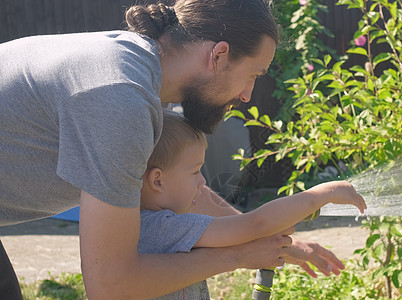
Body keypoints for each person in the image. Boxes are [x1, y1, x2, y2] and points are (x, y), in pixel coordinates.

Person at [0, 1, 365, 298]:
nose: (247, 95)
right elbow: (110, 286)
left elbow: (193, 192)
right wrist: (238, 254)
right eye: (253, 75)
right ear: (218, 55)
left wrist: (266, 240)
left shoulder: (141, 76)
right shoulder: (120, 97)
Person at [138, 110, 367, 299]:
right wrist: (321, 194)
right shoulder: (168, 227)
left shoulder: (143, 227)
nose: (203, 182)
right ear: (158, 180)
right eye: (196, 172)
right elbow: (255, 224)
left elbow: (249, 230)